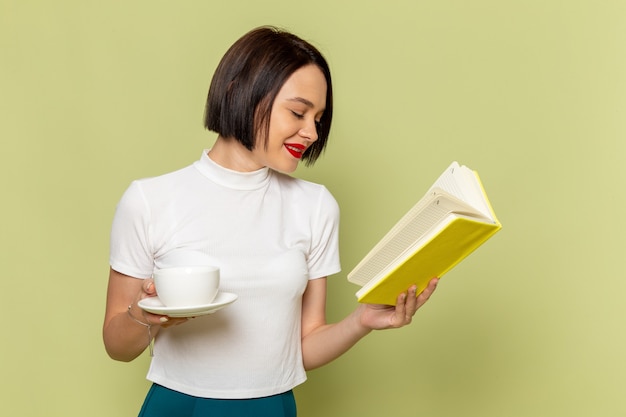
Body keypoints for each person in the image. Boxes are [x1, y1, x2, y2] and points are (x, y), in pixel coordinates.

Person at [103, 26, 439, 417]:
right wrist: (144, 316)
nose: (311, 132)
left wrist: (362, 321)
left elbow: (305, 345)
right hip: (179, 405)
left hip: (273, 406)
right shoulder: (148, 200)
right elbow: (116, 346)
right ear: (238, 93)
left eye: (318, 118)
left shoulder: (315, 207)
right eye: (298, 112)